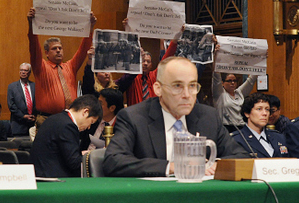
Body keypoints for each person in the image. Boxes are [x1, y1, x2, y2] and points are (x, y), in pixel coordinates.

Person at [103, 57, 249, 177]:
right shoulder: (134, 117)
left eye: (192, 86)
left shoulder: (208, 116)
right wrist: (173, 167)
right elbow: (113, 161)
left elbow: (242, 156)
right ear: (158, 89)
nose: (187, 95)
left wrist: (218, 166)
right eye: (177, 86)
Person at [27, 7, 97, 131]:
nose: (58, 50)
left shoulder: (70, 66)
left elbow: (83, 50)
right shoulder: (41, 66)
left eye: (60, 48)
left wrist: (90, 27)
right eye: (54, 48)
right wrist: (32, 25)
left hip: (69, 118)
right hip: (47, 120)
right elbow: (34, 48)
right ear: (47, 53)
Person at [30, 95, 101, 177]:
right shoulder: (68, 126)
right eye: (91, 122)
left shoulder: (54, 118)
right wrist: (91, 156)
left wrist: (81, 154)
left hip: (40, 174)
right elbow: (74, 163)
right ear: (85, 112)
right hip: (52, 179)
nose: (88, 127)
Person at [119, 18, 179, 106]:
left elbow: (166, 59)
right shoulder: (131, 77)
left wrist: (176, 38)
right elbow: (131, 50)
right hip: (135, 116)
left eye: (148, 62)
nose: (145, 63)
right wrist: (128, 29)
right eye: (143, 61)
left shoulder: (154, 76)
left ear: (151, 65)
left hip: (153, 116)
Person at [232, 93, 289, 158]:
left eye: (267, 109)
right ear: (247, 113)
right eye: (259, 109)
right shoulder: (237, 139)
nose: (265, 113)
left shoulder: (279, 137)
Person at [80, 88, 124, 153]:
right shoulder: (92, 120)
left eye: (101, 103)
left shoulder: (121, 127)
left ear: (112, 108)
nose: (97, 106)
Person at [7, 63, 36, 136]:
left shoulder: (35, 86)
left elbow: (39, 102)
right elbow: (11, 105)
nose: (23, 72)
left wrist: (35, 115)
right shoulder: (12, 87)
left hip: (34, 124)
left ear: (29, 73)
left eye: (25, 70)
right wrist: (23, 116)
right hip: (18, 125)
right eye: (21, 70)